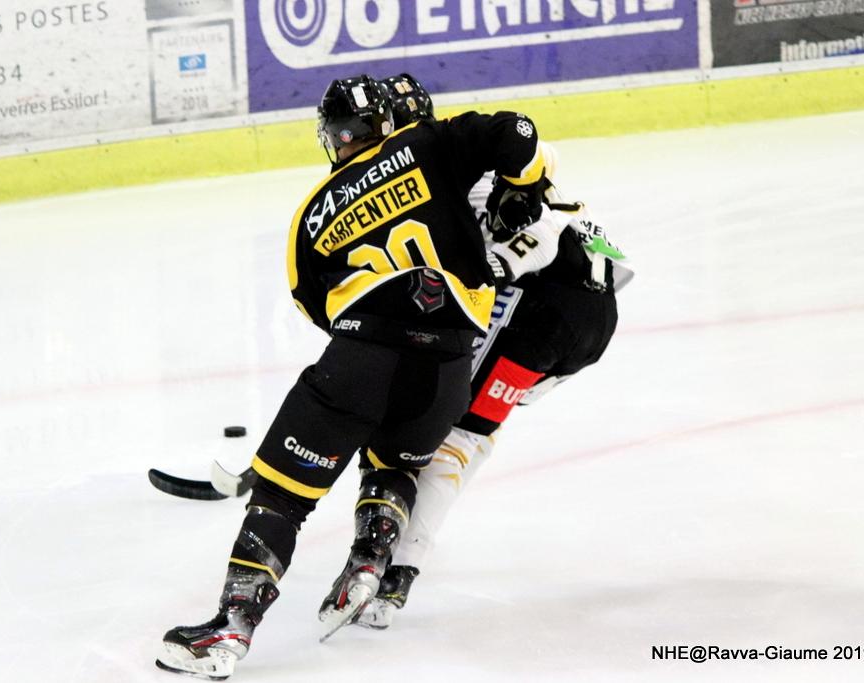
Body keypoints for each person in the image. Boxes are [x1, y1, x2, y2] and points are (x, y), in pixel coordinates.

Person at [156, 74, 567, 679]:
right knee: (393, 465)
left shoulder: (314, 209)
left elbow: (313, 302)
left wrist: (368, 347)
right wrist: (521, 187)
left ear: (338, 136)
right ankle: (371, 560)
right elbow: (518, 132)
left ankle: (229, 631)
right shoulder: (432, 144)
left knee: (281, 496)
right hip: (449, 366)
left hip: (363, 357)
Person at [356, 74, 631, 629]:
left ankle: (396, 571)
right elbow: (549, 174)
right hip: (589, 317)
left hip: (545, 310)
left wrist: (495, 269)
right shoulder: (468, 156)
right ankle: (400, 566)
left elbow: (539, 233)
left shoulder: (442, 176)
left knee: (458, 433)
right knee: (474, 429)